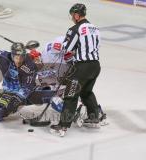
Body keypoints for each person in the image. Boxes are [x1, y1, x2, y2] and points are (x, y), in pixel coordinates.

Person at [0, 42, 58, 122]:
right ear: (12, 54)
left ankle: (63, 110)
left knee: (55, 97)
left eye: (21, 57)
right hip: (9, 93)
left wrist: (17, 99)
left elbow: (27, 87)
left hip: (28, 93)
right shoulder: (3, 56)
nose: (18, 60)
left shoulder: (29, 65)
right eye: (16, 57)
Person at [50, 3, 102, 137]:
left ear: (77, 15)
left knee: (70, 94)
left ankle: (62, 126)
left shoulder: (75, 28)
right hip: (95, 66)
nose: (72, 18)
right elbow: (94, 47)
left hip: (82, 67)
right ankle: (93, 118)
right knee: (86, 92)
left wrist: (69, 52)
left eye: (73, 15)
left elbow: (67, 49)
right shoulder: (95, 29)